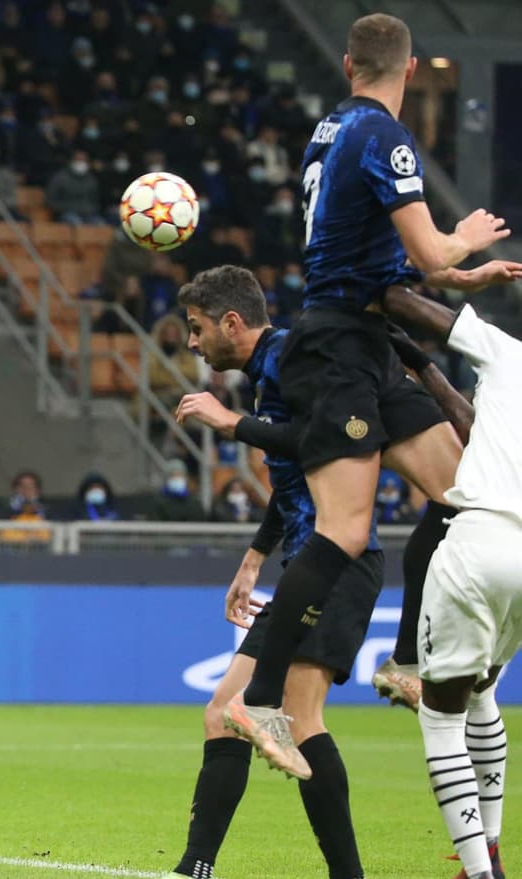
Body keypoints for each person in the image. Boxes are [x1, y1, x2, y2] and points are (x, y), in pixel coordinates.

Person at [221, 13, 522, 774]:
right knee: (345, 530)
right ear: (411, 68)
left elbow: (390, 260)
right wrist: (466, 240)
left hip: (370, 336)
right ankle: (260, 701)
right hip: (340, 349)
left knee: (463, 493)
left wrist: (462, 277)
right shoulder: (384, 137)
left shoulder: (329, 132)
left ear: (350, 65)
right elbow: (425, 249)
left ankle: (401, 660)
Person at [170, 267, 474, 877]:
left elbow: (322, 441)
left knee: (300, 719)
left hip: (341, 563)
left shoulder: (296, 358)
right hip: (310, 559)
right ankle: (194, 869)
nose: (193, 343)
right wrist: (256, 557)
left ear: (233, 322)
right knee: (222, 714)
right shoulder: (273, 371)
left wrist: (233, 423)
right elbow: (295, 475)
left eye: (198, 328)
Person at [380, 284, 513, 879]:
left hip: (481, 540)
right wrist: (424, 367)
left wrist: (375, 285)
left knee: (440, 713)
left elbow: (438, 314)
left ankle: (478, 873)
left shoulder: (511, 355)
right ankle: (490, 849)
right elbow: (475, 426)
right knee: (482, 690)